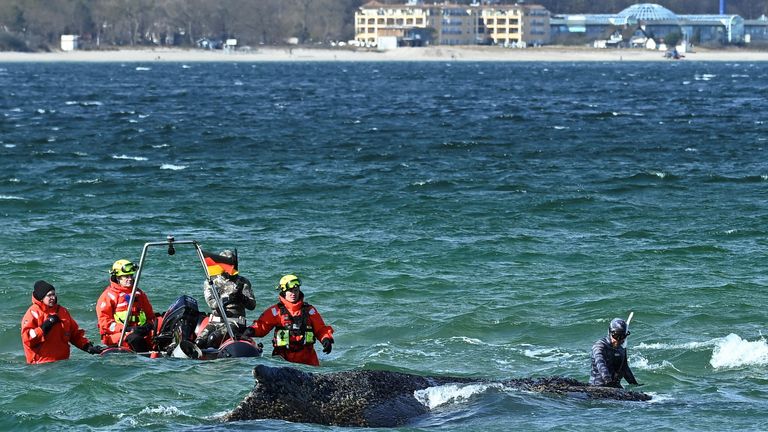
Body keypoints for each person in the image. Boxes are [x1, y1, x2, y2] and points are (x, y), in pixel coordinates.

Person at [243, 274, 334, 366]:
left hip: (308, 361)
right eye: (290, 291)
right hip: (282, 360)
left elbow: (321, 329)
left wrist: (326, 339)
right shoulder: (276, 311)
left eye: (296, 290)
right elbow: (262, 326)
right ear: (283, 291)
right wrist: (251, 330)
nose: (293, 293)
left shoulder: (310, 310)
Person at [21, 280, 104, 364]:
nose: (53, 298)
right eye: (49, 295)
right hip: (41, 365)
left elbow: (74, 334)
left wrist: (87, 347)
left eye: (54, 294)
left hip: (63, 363)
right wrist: (44, 327)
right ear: (41, 298)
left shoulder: (62, 311)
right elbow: (27, 339)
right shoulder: (32, 313)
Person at [196, 249, 257, 349]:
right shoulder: (212, 281)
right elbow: (211, 302)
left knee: (213, 338)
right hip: (215, 322)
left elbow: (252, 305)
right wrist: (226, 300)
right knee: (199, 342)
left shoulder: (242, 282)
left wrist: (241, 297)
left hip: (235, 322)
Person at [96, 259, 156, 353]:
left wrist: (148, 326)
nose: (130, 279)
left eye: (131, 276)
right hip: (117, 334)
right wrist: (127, 329)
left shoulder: (139, 294)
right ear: (118, 278)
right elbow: (105, 323)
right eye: (126, 276)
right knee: (135, 338)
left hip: (139, 330)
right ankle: (146, 357)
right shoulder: (108, 296)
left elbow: (150, 315)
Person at [589, 317, 641, 388]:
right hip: (598, 387)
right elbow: (600, 364)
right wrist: (608, 380)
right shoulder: (599, 346)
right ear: (610, 333)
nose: (618, 340)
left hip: (615, 387)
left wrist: (635, 385)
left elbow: (625, 368)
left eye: (622, 336)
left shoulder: (622, 348)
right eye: (616, 336)